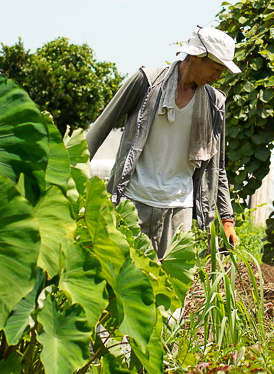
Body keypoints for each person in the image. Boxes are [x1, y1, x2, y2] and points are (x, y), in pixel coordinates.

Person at [86, 26, 241, 258]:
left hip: (179, 209)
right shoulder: (146, 83)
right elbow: (98, 131)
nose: (218, 76)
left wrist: (227, 218)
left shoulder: (214, 102)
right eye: (217, 68)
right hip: (132, 201)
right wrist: (67, 178)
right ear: (197, 56)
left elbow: (216, 167)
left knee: (169, 286)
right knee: (122, 281)